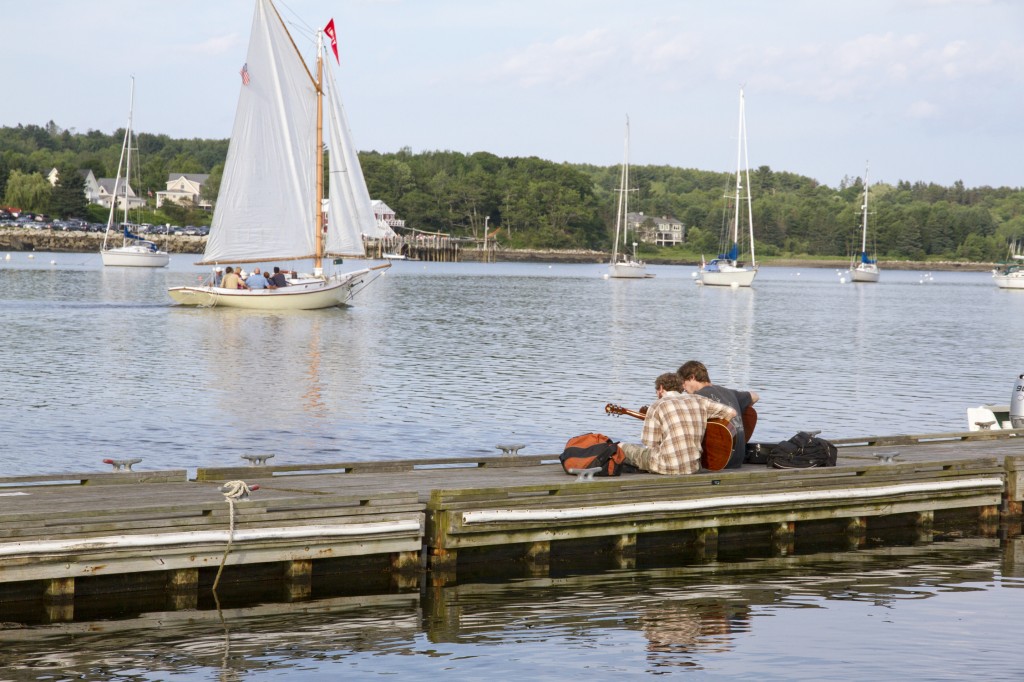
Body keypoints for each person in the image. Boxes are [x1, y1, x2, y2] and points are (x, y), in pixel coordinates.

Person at [620, 372, 737, 475]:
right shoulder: (699, 400)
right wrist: (706, 429)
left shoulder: (657, 405)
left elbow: (649, 444)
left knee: (621, 447)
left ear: (660, 389)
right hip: (694, 467)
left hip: (664, 466)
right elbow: (731, 412)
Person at [677, 360, 759, 469]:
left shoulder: (697, 397)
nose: (683, 389)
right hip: (737, 459)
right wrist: (740, 407)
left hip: (716, 461)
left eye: (683, 383)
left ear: (692, 377)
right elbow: (755, 396)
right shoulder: (729, 392)